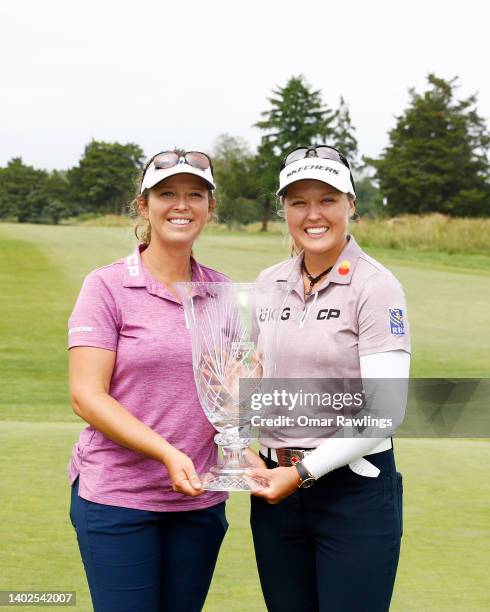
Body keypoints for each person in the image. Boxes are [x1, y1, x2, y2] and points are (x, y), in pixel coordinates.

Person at [247, 145, 411, 612]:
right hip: (275, 488)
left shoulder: (377, 286)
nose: (312, 214)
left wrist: (302, 473)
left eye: (327, 199)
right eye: (298, 202)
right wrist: (238, 444)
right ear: (284, 210)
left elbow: (384, 411)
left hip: (350, 491)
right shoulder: (267, 282)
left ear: (351, 205)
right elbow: (253, 380)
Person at [67, 150, 230, 612]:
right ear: (144, 205)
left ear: (209, 207)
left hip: (199, 501)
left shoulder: (219, 292)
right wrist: (166, 451)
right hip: (118, 498)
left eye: (194, 194)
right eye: (167, 194)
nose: (181, 204)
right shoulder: (106, 286)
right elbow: (86, 395)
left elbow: (227, 397)